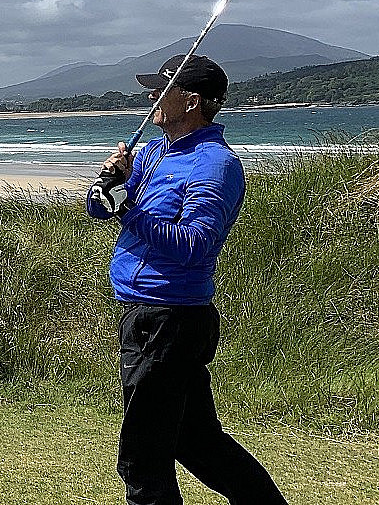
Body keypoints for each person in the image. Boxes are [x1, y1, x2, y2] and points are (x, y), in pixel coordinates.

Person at [86, 55, 288, 505]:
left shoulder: (213, 165)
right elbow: (97, 207)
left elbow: (195, 244)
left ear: (191, 101)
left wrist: (126, 210)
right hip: (146, 314)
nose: (152, 98)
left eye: (162, 89)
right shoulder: (155, 153)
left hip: (171, 319)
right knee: (195, 442)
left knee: (144, 455)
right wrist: (111, 183)